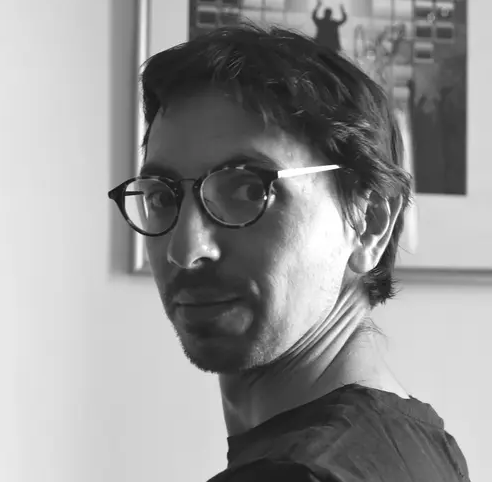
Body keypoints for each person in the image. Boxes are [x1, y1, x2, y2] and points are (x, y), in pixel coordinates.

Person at [108, 25, 470, 481]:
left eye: (248, 189)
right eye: (162, 197)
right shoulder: (420, 444)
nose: (187, 249)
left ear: (369, 221)